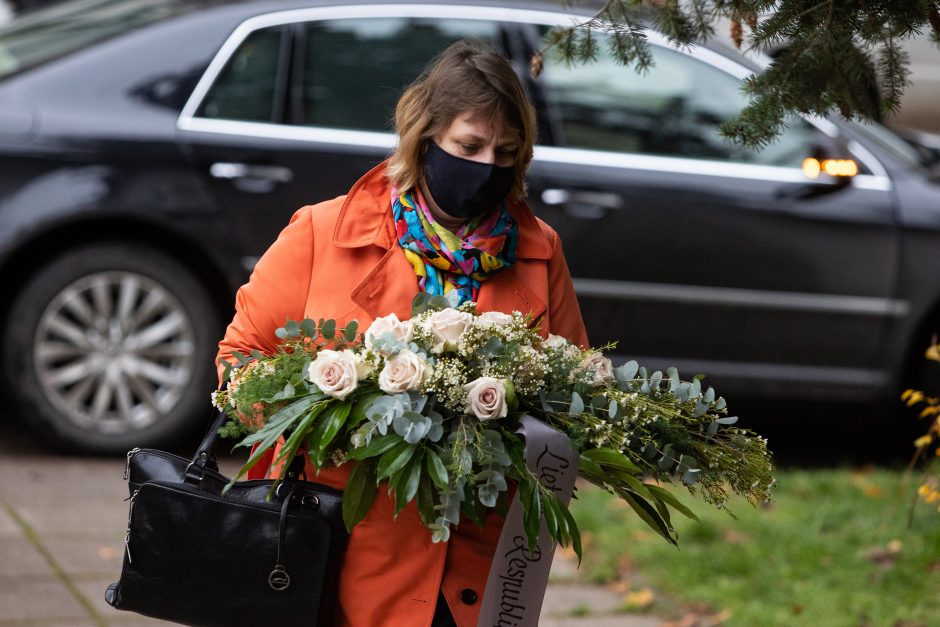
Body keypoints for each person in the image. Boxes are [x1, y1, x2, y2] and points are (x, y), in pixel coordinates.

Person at [217, 40, 588, 627]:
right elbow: (240, 362)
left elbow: (573, 400)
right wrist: (341, 420)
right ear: (425, 136)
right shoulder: (321, 233)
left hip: (470, 571)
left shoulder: (539, 253)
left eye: (506, 152)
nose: (487, 164)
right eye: (469, 146)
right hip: (336, 555)